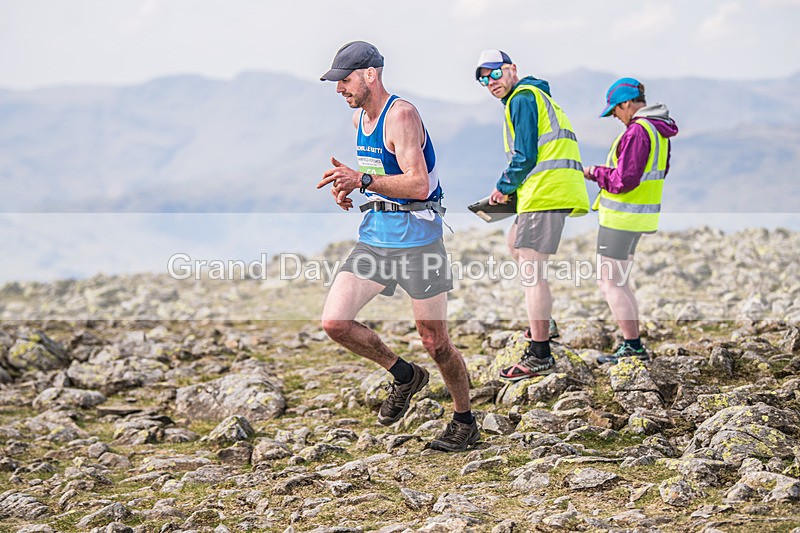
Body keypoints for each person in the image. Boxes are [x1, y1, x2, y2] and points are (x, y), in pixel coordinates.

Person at [316, 41, 479, 452]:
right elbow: (374, 176)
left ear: (370, 74)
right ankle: (404, 375)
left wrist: (363, 181)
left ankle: (465, 420)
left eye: (345, 80)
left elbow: (418, 183)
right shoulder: (360, 119)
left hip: (420, 242)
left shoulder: (401, 115)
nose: (339, 89)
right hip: (376, 237)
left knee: (436, 343)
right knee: (335, 323)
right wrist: (349, 188)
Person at [475, 50, 589, 382]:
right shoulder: (537, 96)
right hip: (546, 191)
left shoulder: (522, 98)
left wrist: (503, 187)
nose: (489, 83)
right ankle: (545, 322)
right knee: (515, 244)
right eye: (483, 79)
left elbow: (526, 154)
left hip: (545, 191)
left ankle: (540, 353)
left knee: (530, 268)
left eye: (494, 74)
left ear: (511, 69)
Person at [583, 78, 679, 364]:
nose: (616, 117)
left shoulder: (638, 131)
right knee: (621, 282)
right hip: (638, 217)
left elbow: (624, 179)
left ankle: (632, 346)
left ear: (626, 104)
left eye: (615, 111)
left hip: (621, 218)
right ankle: (633, 342)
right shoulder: (658, 131)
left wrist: (594, 172)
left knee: (609, 282)